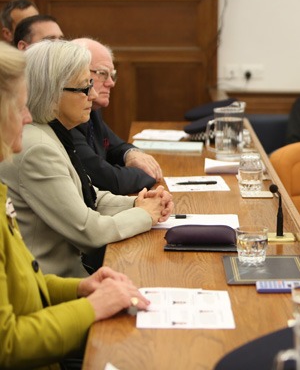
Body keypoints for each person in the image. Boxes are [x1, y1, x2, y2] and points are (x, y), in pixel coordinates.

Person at [0, 41, 151, 370]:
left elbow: (26, 279)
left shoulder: (53, 136)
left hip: (59, 303)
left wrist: (81, 288)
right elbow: (7, 343)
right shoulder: (36, 145)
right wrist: (93, 306)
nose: (27, 117)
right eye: (19, 106)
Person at [0, 39, 174, 279]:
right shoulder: (36, 148)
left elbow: (86, 195)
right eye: (84, 88)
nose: (92, 95)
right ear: (52, 92)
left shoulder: (53, 132)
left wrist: (136, 204)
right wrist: (145, 215)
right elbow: (88, 230)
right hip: (55, 282)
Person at [71, 37, 161, 194]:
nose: (111, 83)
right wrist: (148, 172)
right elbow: (111, 180)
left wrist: (132, 154)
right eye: (102, 74)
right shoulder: (68, 120)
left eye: (112, 75)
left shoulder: (92, 110)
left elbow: (116, 146)